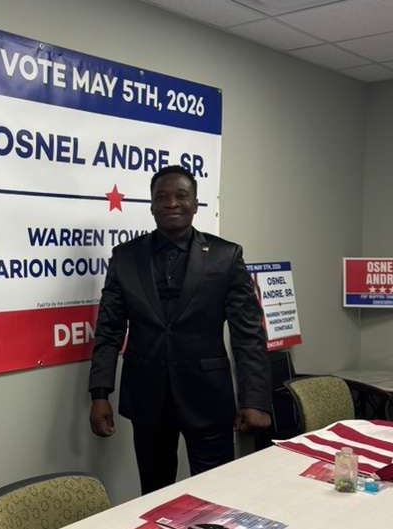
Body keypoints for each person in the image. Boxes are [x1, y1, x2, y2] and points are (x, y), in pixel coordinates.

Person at [88, 165, 272, 494]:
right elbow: (109, 329)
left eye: (181, 196)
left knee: (216, 492)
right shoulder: (125, 258)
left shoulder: (226, 256)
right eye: (162, 197)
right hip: (147, 398)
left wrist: (255, 400)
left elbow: (248, 334)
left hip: (208, 397)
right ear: (151, 205)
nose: (171, 203)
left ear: (196, 204)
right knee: (154, 494)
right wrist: (100, 394)